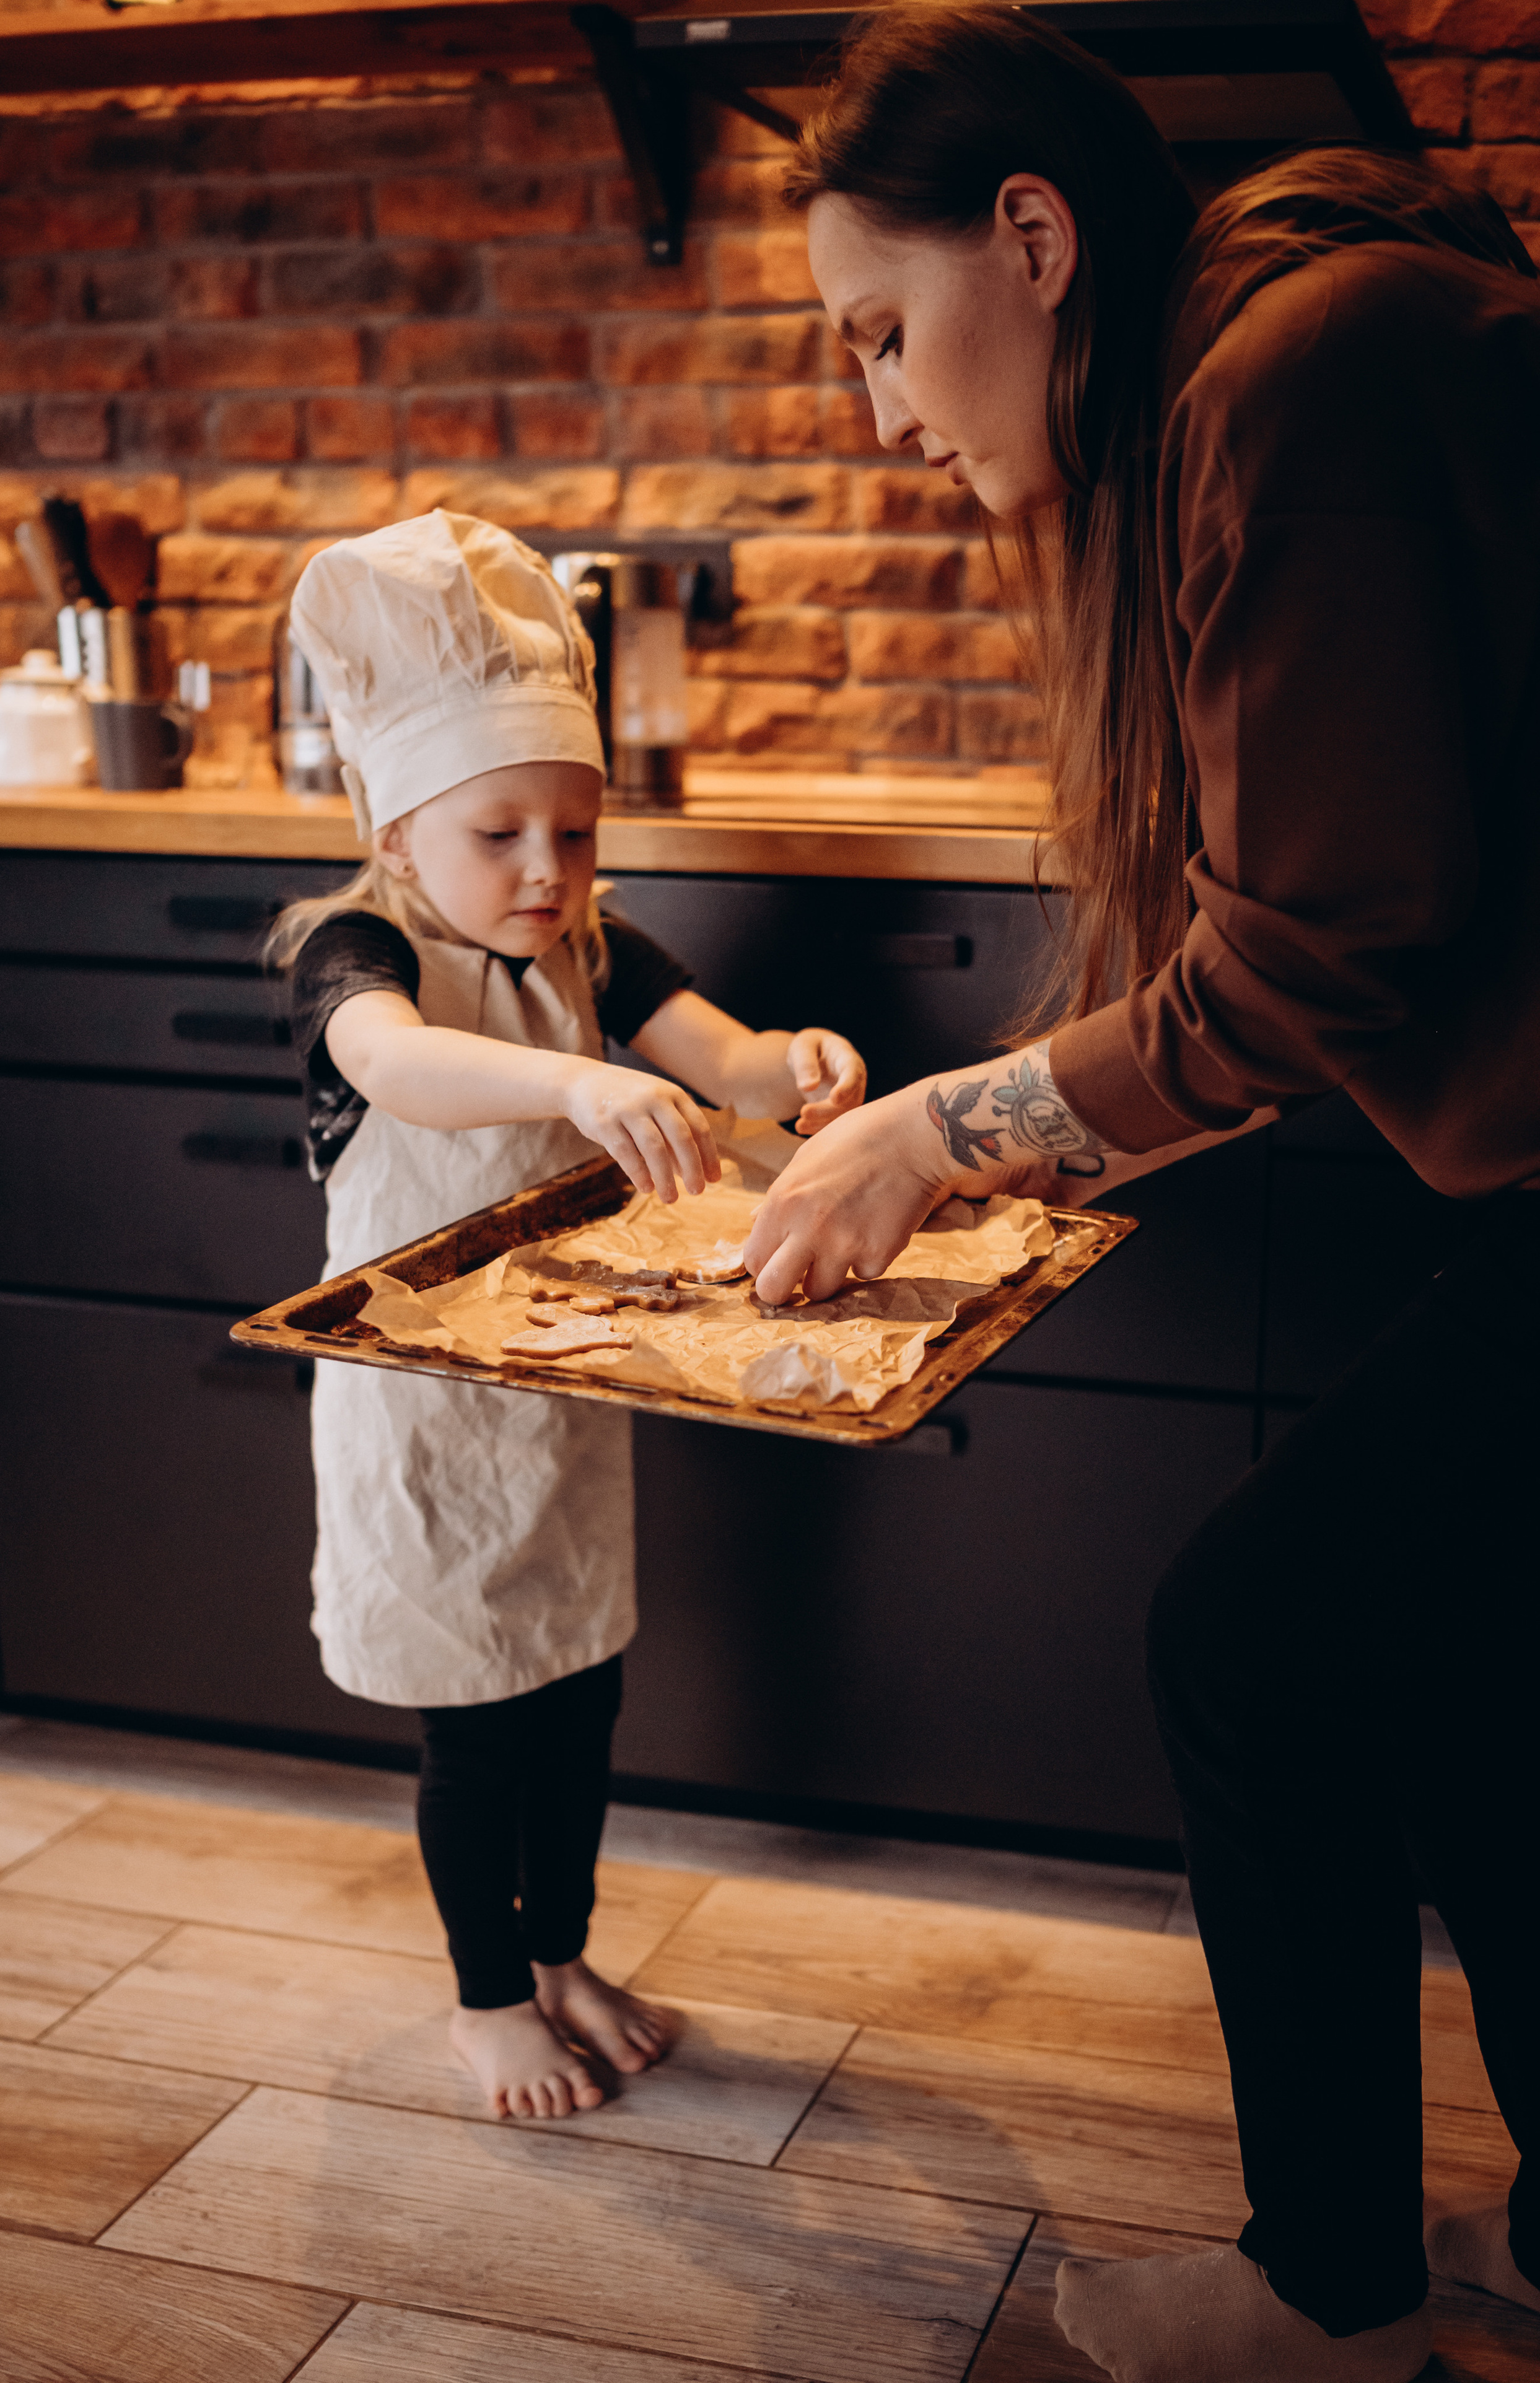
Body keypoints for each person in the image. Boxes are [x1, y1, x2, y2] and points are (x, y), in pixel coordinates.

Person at [743, 9, 1540, 2379]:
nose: (882, 414)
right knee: (1455, 1660)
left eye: (880, 335)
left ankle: (1327, 2296)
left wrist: (937, 1129)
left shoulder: (1297, 371)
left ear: (1034, 235)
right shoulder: (1278, 357)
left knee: (1257, 1641)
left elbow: (1317, 947)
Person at [273, 510, 865, 2123]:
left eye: (578, 833)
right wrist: (575, 1085)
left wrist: (798, 1063)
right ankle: (488, 2001)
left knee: (579, 1695)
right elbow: (398, 1066)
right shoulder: (357, 954)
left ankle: (563, 1959)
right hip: (423, 1424)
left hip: (564, 1398)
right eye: (501, 833)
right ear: (400, 834)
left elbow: (730, 1058)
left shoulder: (592, 948)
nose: (549, 870)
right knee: (476, 1728)